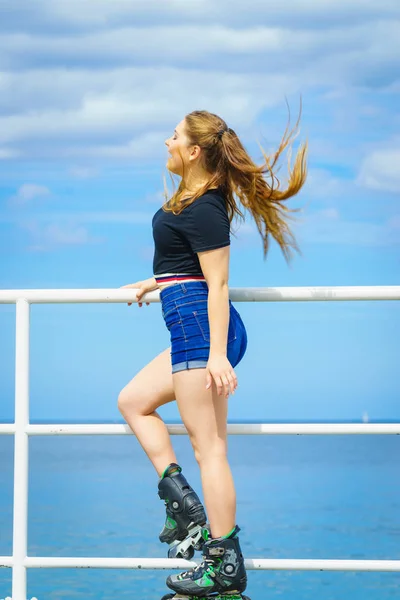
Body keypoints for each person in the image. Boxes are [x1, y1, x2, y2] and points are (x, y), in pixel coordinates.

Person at [118, 109, 307, 598]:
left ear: (194, 150)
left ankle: (223, 563)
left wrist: (218, 355)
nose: (167, 142)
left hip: (203, 335)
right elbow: (190, 270)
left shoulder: (205, 207)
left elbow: (218, 284)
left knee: (211, 449)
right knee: (132, 400)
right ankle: (184, 508)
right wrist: (157, 281)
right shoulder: (189, 201)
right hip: (190, 328)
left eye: (174, 136)